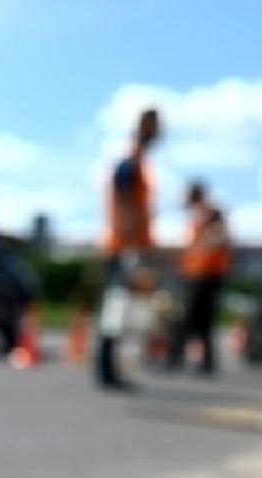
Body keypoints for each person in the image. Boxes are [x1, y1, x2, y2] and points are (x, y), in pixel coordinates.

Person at [95, 107, 161, 391]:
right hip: (125, 246)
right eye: (156, 127)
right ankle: (107, 370)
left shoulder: (137, 160)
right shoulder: (132, 160)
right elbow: (125, 201)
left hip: (126, 244)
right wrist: (132, 243)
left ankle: (110, 368)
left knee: (118, 309)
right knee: (117, 309)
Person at [166, 180, 231, 375]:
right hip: (197, 273)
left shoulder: (211, 212)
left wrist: (203, 246)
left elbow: (219, 237)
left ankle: (175, 358)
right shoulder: (200, 214)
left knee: (188, 318)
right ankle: (206, 363)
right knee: (202, 320)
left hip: (206, 273)